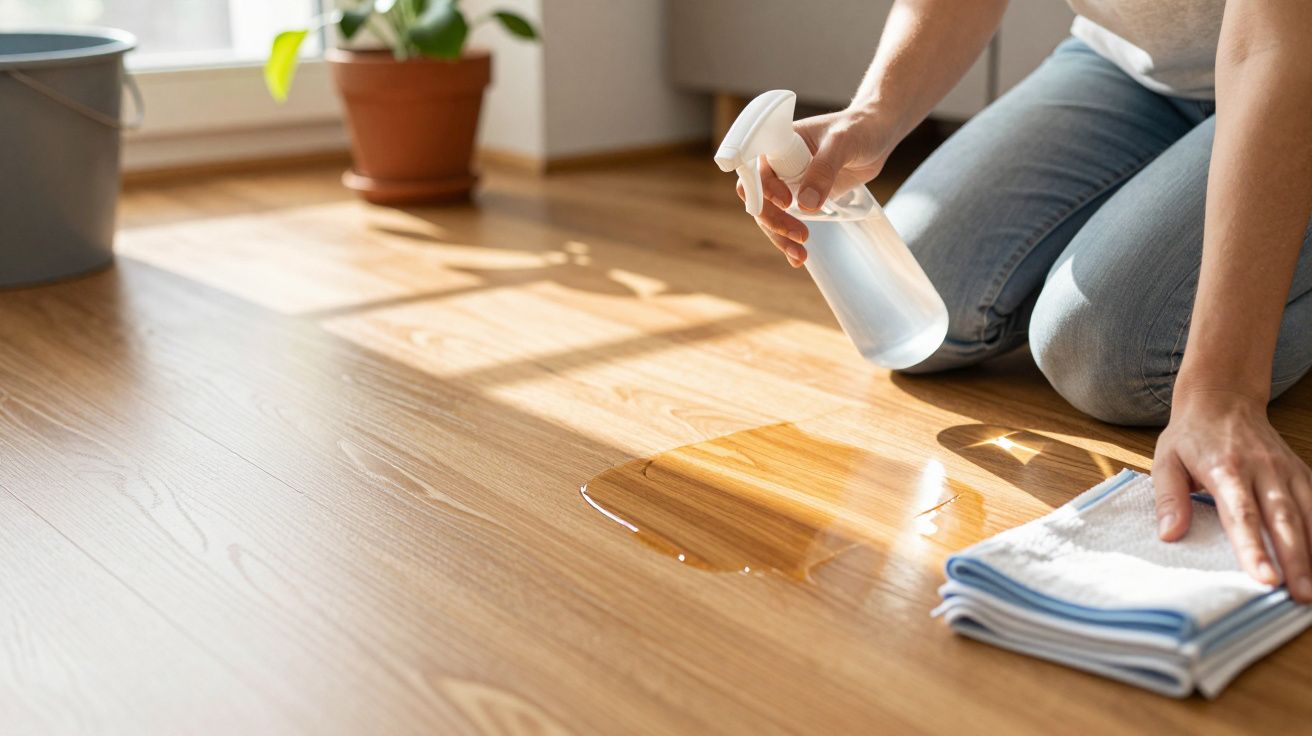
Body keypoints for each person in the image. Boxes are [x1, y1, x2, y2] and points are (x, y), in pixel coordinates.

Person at [743, 1, 1312, 598]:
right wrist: (874, 112)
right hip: (1130, 67)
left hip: (1290, 59)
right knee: (920, 292)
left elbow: (1271, 44)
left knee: (1110, 352)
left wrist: (1222, 390)